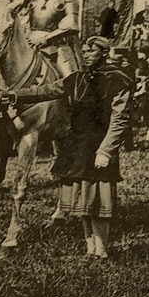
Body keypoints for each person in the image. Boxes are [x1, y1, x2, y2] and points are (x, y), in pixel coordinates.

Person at [52, 36, 132, 258]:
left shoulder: (117, 80)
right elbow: (47, 91)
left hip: (99, 148)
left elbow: (120, 119)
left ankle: (102, 249)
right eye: (84, 51)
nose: (86, 54)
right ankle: (90, 249)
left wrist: (106, 150)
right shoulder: (77, 79)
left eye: (91, 51)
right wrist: (13, 95)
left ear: (104, 54)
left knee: (98, 202)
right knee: (81, 200)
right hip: (77, 147)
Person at [23, 0, 82, 78]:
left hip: (55, 44)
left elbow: (71, 25)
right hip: (29, 41)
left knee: (70, 78)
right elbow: (14, 9)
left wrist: (43, 39)